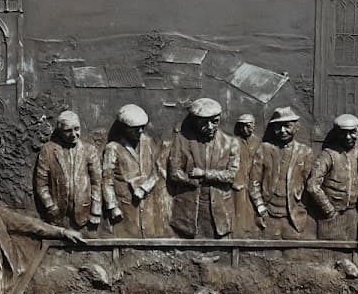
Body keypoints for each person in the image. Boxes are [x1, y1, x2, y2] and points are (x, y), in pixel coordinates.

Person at [166, 97, 239, 239]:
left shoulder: (231, 143)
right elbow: (174, 172)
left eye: (215, 121)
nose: (210, 126)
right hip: (190, 206)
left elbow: (231, 175)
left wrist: (205, 174)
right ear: (195, 122)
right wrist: (191, 181)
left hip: (219, 206)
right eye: (204, 123)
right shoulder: (181, 141)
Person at [249, 106, 314, 239]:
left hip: (294, 216)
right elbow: (254, 182)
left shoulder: (305, 152)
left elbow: (309, 184)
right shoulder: (264, 149)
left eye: (287, 126)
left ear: (296, 127)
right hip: (268, 214)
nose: (282, 131)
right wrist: (260, 207)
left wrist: (301, 206)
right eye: (278, 127)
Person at [306, 113, 358, 241]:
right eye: (343, 133)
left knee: (355, 256)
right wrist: (329, 210)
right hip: (333, 217)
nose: (348, 137)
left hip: (357, 215)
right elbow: (312, 186)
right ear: (337, 133)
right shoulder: (328, 155)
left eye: (352, 132)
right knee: (331, 256)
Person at [33, 110, 102, 230]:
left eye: (76, 129)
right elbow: (41, 183)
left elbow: (96, 182)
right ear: (60, 131)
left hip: (84, 214)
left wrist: (95, 211)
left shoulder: (89, 150)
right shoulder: (47, 151)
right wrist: (50, 205)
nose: (74, 134)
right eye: (68, 131)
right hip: (57, 215)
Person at [102, 104, 163, 238]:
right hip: (125, 207)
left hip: (147, 205)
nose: (140, 131)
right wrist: (112, 207)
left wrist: (144, 188)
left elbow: (157, 171)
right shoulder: (113, 148)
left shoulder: (148, 142)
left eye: (142, 127)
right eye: (135, 129)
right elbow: (107, 180)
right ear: (124, 128)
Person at [232, 113, 260, 237]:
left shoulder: (259, 143)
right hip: (238, 183)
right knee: (239, 212)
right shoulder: (234, 142)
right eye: (242, 126)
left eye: (248, 126)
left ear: (254, 126)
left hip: (255, 182)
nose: (245, 129)